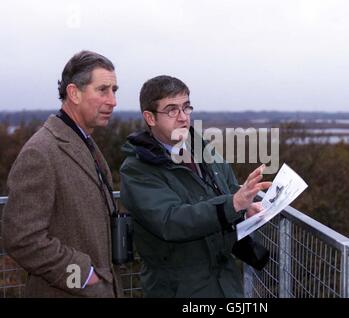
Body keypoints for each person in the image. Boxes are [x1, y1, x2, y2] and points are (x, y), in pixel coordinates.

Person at [119, 75, 271, 298]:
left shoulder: (203, 150)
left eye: (186, 107)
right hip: (178, 288)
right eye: (172, 110)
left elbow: (230, 192)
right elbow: (171, 221)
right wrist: (233, 204)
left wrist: (245, 206)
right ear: (150, 118)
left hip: (225, 284)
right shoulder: (137, 169)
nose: (182, 117)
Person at [3, 50, 123, 297]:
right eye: (103, 90)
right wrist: (84, 276)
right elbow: (22, 239)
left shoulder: (85, 143)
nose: (113, 101)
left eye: (114, 90)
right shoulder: (41, 151)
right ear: (73, 93)